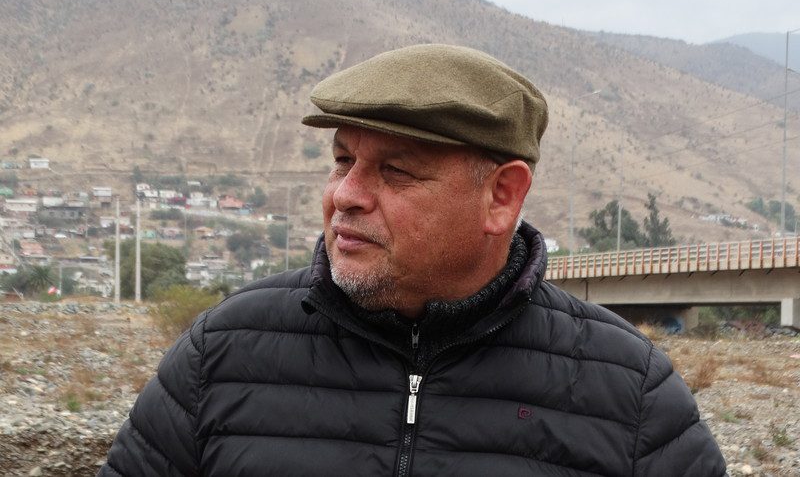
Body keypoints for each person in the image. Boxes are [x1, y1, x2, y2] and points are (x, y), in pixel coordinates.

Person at [99, 44, 726, 476]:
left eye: (395, 172)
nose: (345, 195)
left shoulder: (632, 395)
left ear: (500, 196)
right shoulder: (222, 354)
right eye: (343, 160)